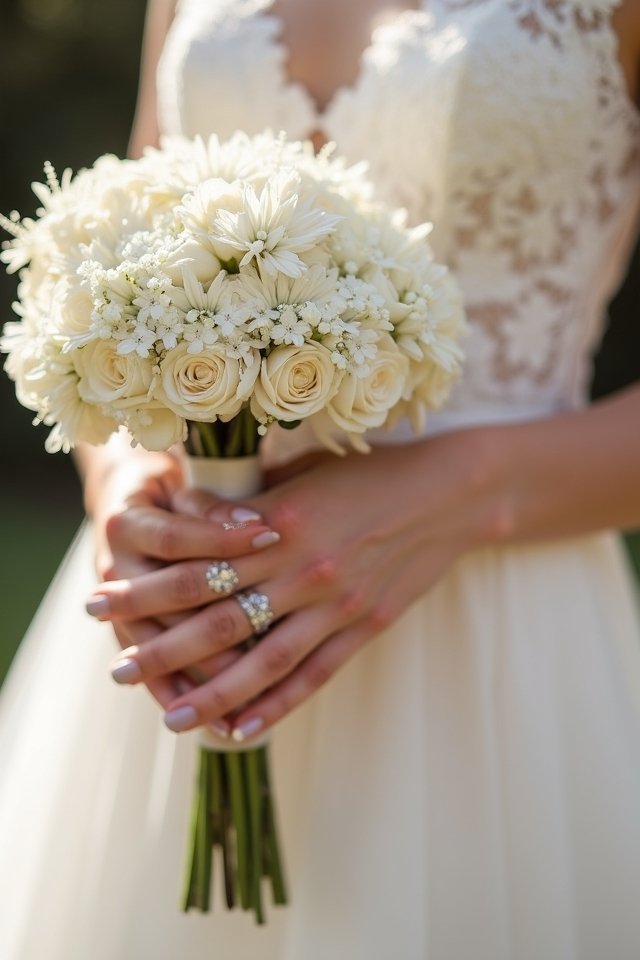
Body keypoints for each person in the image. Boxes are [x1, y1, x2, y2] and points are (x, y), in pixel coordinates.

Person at [1, 0, 640, 957]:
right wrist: (124, 481)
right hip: (190, 611)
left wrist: (460, 489)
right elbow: (105, 257)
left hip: (494, 639)